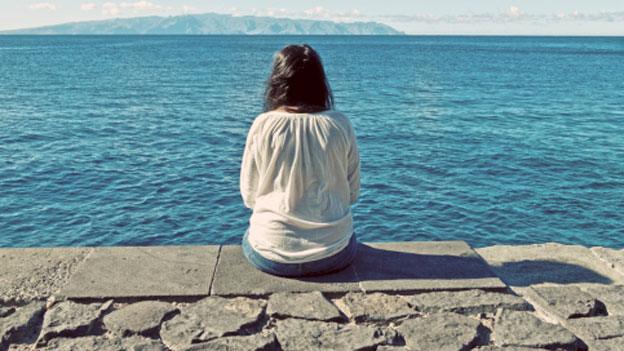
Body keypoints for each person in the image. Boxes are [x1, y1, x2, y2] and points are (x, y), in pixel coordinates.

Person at [239, 44, 361, 277]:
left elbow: (249, 195)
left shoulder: (263, 125)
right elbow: (352, 194)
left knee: (252, 236)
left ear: (277, 82)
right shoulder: (340, 124)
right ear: (320, 83)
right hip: (334, 254)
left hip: (271, 255)